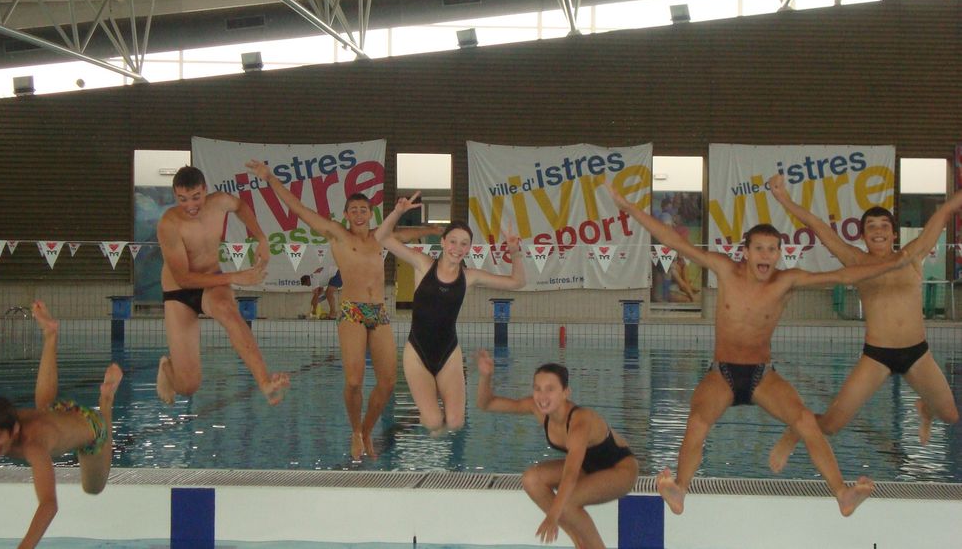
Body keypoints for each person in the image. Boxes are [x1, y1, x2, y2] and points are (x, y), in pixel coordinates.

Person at [605, 181, 913, 517]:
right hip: (722, 373)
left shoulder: (786, 280)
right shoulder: (725, 269)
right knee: (696, 422)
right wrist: (628, 208)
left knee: (805, 421)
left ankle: (842, 493)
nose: (766, 256)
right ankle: (680, 488)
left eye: (772, 250)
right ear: (745, 252)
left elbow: (842, 276)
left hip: (762, 375)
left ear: (780, 254)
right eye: (760, 249)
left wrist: (894, 263)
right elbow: (672, 240)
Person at [244, 160, 440, 459]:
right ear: (345, 216)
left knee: (387, 382)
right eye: (354, 211)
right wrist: (270, 178)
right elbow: (298, 209)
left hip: (379, 312)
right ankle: (355, 431)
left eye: (364, 210)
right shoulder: (336, 233)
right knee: (353, 380)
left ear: (371, 214)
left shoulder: (379, 237)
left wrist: (437, 230)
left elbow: (407, 233)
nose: (359, 215)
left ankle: (367, 430)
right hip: (351, 311)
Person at [767, 173, 962, 471]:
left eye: (885, 226)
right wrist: (783, 198)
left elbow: (945, 211)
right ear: (862, 236)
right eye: (871, 227)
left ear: (894, 234)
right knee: (831, 425)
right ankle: (797, 429)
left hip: (917, 353)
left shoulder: (913, 255)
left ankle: (925, 407)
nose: (879, 231)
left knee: (950, 416)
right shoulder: (855, 260)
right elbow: (817, 226)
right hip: (877, 356)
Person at [0, 301, 123, 549]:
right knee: (43, 406)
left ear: (15, 430)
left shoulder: (33, 445)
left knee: (93, 488)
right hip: (56, 414)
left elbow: (49, 505)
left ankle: (106, 400)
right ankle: (50, 335)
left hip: (90, 427)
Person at [376, 192, 526, 433]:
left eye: (464, 243)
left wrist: (515, 252)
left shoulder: (469, 277)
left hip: (449, 353)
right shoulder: (422, 263)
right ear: (443, 242)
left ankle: (433, 400)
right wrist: (397, 212)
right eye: (453, 241)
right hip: (417, 353)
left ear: (469, 248)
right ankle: (428, 408)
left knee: (456, 423)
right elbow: (381, 237)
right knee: (434, 422)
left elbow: (517, 282)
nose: (458, 248)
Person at [475, 350, 637, 549]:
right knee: (531, 479)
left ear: (565, 392)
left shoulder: (580, 420)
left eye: (550, 389)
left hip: (620, 470)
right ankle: (580, 544)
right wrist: (485, 376)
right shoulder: (536, 407)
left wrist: (552, 517)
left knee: (566, 503)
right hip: (588, 467)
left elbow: (570, 473)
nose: (542, 396)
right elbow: (486, 404)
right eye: (538, 388)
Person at [156, 166, 288, 406]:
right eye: (182, 199)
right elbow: (185, 279)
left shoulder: (219, 202)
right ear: (175, 196)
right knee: (188, 387)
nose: (191, 205)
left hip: (211, 280)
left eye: (196, 196)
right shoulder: (169, 224)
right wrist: (235, 277)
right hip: (179, 292)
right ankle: (166, 368)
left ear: (205, 190)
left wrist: (261, 238)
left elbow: (241, 207)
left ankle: (264, 382)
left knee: (228, 312)